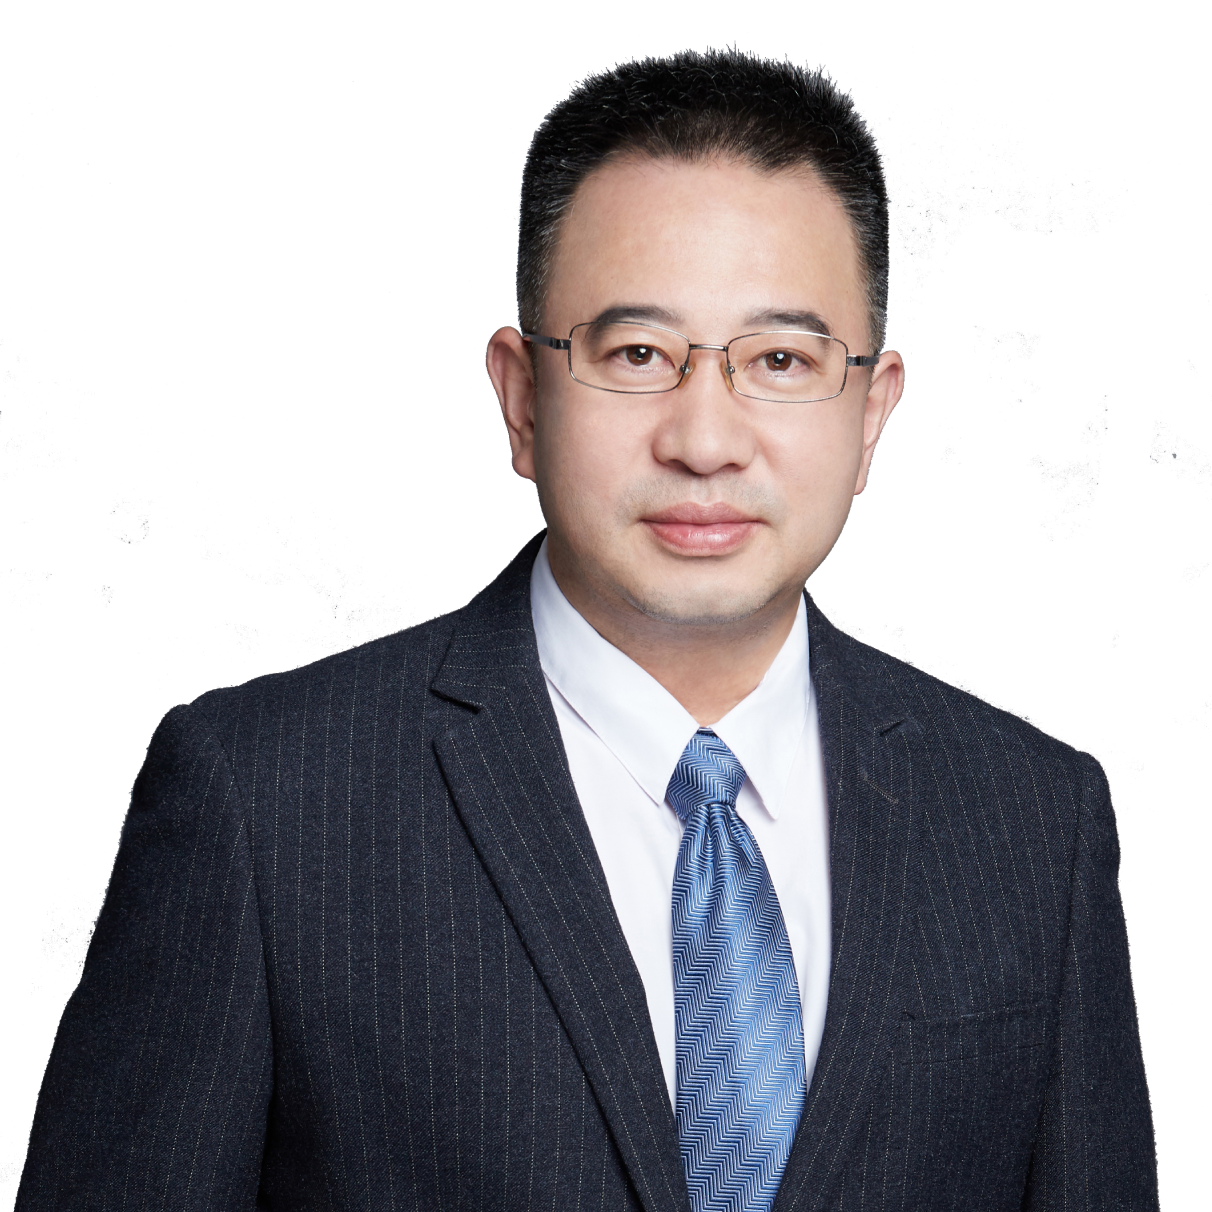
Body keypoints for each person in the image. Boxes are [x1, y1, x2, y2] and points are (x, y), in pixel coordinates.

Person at [16, 48, 1157, 1211]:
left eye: (780, 360)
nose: (704, 442)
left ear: (871, 413)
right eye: (638, 354)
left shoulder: (1035, 821)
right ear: (522, 398)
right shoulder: (261, 802)